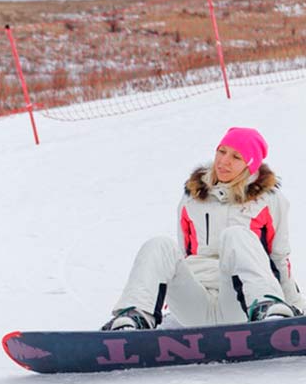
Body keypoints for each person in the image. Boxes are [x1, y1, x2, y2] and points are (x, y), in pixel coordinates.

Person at [102, 127, 305, 331]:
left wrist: (295, 307)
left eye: (236, 157)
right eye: (222, 151)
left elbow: (280, 257)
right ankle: (133, 318)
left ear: (250, 165)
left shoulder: (269, 201)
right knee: (159, 245)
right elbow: (180, 255)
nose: (224, 161)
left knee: (236, 235)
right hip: (195, 304)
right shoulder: (193, 198)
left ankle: (270, 311)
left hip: (241, 303)